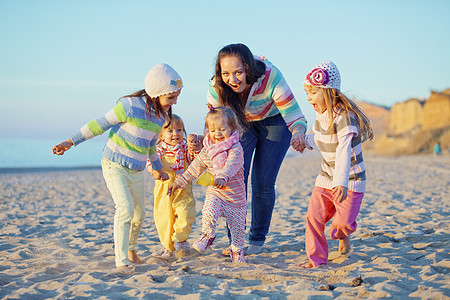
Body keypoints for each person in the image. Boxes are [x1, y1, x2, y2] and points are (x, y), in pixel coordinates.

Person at [51, 63, 183, 274]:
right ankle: (121, 259)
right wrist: (70, 142)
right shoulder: (129, 106)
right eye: (171, 97)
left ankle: (130, 249)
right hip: (114, 164)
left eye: (177, 96)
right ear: (157, 93)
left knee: (139, 216)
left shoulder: (161, 118)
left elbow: (150, 145)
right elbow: (98, 125)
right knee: (125, 209)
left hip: (137, 169)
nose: (175, 101)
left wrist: (157, 169)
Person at [206, 43, 308, 255]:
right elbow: (216, 125)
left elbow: (295, 116)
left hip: (275, 121)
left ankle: (257, 239)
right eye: (226, 73)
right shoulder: (216, 87)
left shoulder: (271, 77)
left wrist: (298, 133)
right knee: (234, 180)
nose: (232, 80)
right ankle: (236, 241)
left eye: (238, 72)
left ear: (248, 69)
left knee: (262, 182)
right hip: (241, 124)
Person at [299, 61, 373, 268]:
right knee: (314, 217)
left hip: (351, 180)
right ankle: (317, 260)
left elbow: (342, 150)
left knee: (342, 224)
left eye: (313, 93)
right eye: (307, 93)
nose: (308, 98)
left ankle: (343, 234)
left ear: (328, 92)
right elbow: (322, 139)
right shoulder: (320, 117)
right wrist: (305, 141)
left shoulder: (345, 118)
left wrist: (341, 183)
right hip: (326, 177)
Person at [167, 107, 247, 263]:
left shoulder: (236, 149)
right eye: (212, 130)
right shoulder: (208, 149)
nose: (217, 133)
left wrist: (223, 177)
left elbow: (230, 165)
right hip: (216, 194)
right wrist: (179, 181)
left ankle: (237, 250)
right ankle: (207, 235)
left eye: (222, 129)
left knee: (237, 229)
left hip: (235, 198)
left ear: (233, 128)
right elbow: (195, 167)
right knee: (208, 210)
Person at [146, 114, 200, 259]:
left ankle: (181, 240)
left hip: (183, 189)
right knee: (165, 219)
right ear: (161, 134)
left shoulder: (185, 149)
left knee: (186, 214)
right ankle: (168, 248)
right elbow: (150, 161)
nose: (175, 134)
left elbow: (194, 159)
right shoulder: (158, 150)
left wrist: (195, 146)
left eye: (179, 130)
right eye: (170, 131)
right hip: (164, 189)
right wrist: (155, 171)